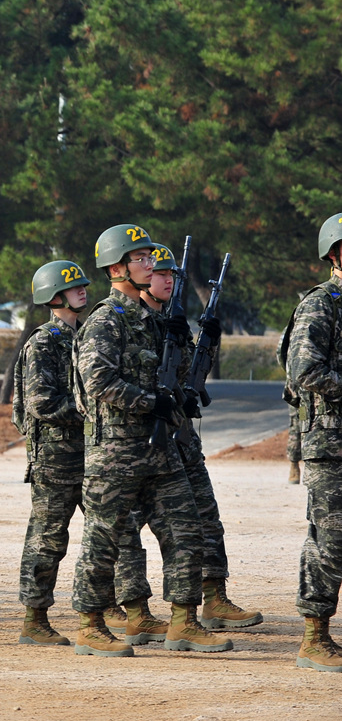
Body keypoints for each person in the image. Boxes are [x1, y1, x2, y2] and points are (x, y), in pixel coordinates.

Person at [70, 224, 229, 656]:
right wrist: (149, 402)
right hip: (116, 453)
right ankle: (90, 623)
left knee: (185, 530)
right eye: (140, 259)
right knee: (104, 539)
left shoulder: (156, 321)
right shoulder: (106, 320)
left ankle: (183, 621)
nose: (151, 264)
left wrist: (196, 342)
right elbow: (98, 380)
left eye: (150, 258)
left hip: (162, 450)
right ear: (118, 267)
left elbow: (180, 380)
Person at [136, 245, 257, 634]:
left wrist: (207, 342)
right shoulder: (129, 321)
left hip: (182, 439)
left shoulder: (172, 322)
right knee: (124, 527)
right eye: (160, 274)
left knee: (205, 519)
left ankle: (214, 599)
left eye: (172, 275)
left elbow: (189, 376)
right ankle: (125, 606)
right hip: (142, 444)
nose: (168, 280)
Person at [13, 259, 91, 646]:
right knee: (48, 539)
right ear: (53, 296)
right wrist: (89, 410)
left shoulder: (86, 336)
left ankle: (118, 609)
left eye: (81, 285)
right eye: (72, 287)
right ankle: (34, 617)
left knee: (113, 534)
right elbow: (40, 403)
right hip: (56, 459)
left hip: (91, 454)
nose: (82, 290)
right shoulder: (43, 342)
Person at [283, 213, 342, 671]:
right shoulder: (321, 305)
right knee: (330, 540)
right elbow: (304, 370)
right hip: (331, 443)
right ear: (335, 253)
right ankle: (314, 635)